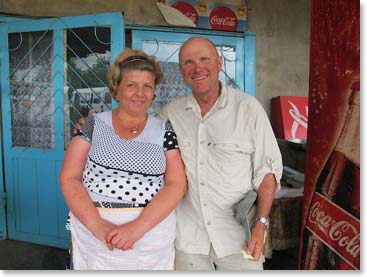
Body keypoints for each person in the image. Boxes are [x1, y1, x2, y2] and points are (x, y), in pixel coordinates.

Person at [75, 37, 283, 270]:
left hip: (238, 238)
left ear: (219, 62)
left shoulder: (249, 109)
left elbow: (267, 172)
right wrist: (93, 128)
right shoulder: (169, 115)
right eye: (188, 62)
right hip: (189, 241)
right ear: (182, 71)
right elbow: (135, 134)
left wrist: (261, 223)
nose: (198, 68)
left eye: (204, 59)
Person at [59, 48, 187, 270]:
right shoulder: (93, 124)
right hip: (97, 236)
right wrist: (98, 226)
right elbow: (69, 178)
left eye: (147, 86)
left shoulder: (164, 129)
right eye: (131, 85)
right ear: (116, 90)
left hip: (150, 237)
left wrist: (137, 228)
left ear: (154, 92)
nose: (140, 92)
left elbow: (177, 184)